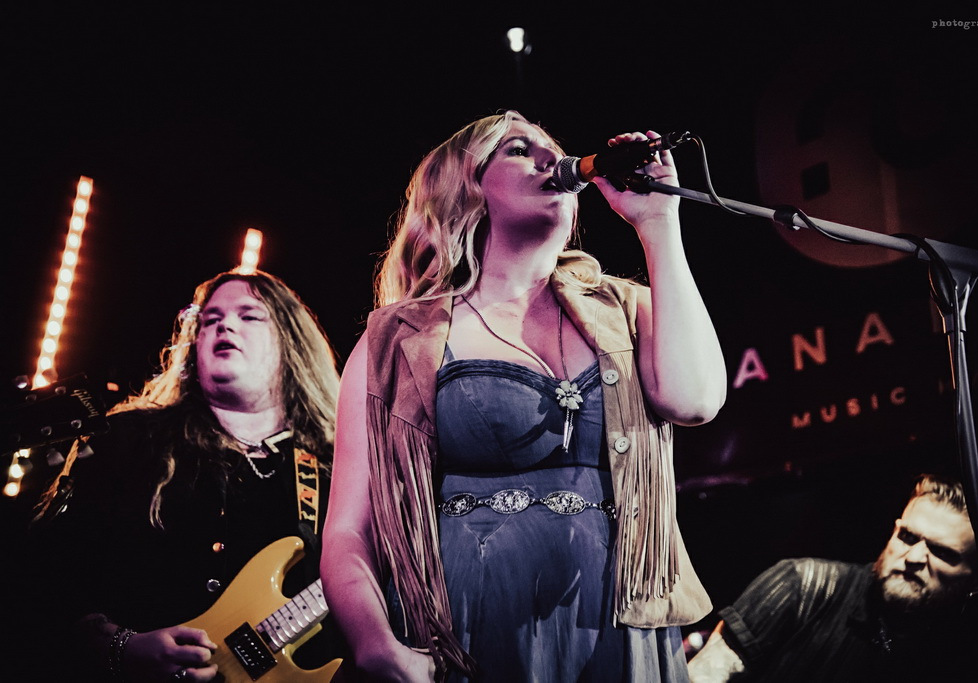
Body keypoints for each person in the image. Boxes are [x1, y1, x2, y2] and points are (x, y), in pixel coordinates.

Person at [320, 110, 728, 682]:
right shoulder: (398, 339)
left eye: (551, 148)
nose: (549, 158)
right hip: (470, 619)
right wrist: (374, 643)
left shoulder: (626, 308)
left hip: (615, 620)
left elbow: (696, 400)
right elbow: (348, 528)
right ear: (464, 189)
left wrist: (659, 223)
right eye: (517, 149)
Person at [28, 269, 341, 682]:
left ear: (292, 342)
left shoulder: (336, 469)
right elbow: (43, 576)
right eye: (210, 320)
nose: (225, 325)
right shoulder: (127, 439)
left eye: (249, 316)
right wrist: (119, 648)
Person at [686, 473, 978, 682]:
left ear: (976, 580)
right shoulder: (800, 585)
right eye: (907, 537)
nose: (913, 558)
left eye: (942, 552)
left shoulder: (969, 656)